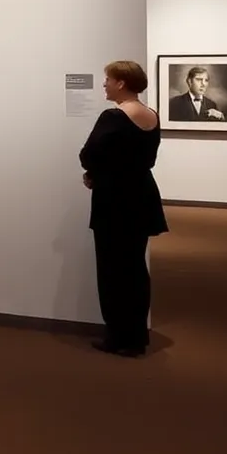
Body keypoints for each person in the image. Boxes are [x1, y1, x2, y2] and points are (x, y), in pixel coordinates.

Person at [78, 60, 169, 358]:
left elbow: (89, 154)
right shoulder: (151, 116)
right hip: (141, 195)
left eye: (108, 79)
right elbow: (146, 158)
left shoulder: (113, 117)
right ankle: (136, 335)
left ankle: (118, 336)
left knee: (111, 268)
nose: (104, 84)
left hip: (114, 198)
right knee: (134, 267)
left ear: (121, 83)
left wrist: (94, 174)